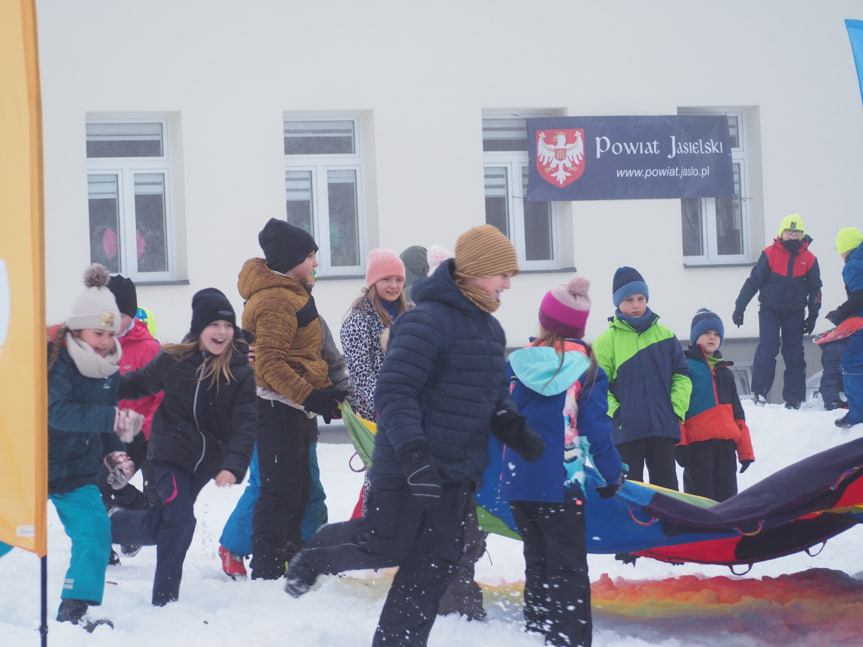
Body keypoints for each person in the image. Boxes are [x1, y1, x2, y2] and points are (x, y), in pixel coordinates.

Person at [284, 224, 545, 647]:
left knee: (436, 561)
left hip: (457, 472)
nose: (507, 284)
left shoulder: (491, 331)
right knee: (384, 543)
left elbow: (494, 398)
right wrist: (414, 454)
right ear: (477, 270)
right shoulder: (426, 321)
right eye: (502, 274)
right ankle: (313, 555)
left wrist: (517, 430)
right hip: (407, 464)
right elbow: (394, 390)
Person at [109, 288, 256, 606]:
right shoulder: (174, 360)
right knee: (179, 518)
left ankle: (104, 528)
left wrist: (233, 465)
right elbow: (138, 383)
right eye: (214, 325)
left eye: (227, 326)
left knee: (157, 524)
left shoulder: (240, 370)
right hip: (170, 452)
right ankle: (164, 600)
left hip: (206, 462)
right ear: (199, 328)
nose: (221, 332)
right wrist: (101, 382)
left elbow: (246, 423)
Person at [498, 275, 624, 647]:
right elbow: (596, 430)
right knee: (567, 568)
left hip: (519, 482)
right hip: (561, 484)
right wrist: (614, 474)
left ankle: (538, 633)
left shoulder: (517, 363)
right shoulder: (586, 369)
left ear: (544, 320)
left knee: (537, 563)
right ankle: (569, 640)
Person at [238, 218, 349, 579]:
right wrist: (312, 396)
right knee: (277, 491)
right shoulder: (276, 300)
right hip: (277, 408)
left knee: (298, 489)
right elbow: (269, 364)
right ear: (292, 259)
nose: (316, 262)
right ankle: (267, 567)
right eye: (311, 255)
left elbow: (307, 352)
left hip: (294, 407)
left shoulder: (293, 292)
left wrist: (324, 392)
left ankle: (289, 555)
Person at [217, 312, 353, 579]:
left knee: (309, 489)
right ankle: (232, 546)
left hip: (304, 413)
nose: (312, 271)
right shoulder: (267, 309)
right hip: (264, 412)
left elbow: (331, 360)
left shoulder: (313, 317)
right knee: (265, 487)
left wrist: (345, 397)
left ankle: (310, 553)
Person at [47, 263, 144, 630]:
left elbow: (106, 415)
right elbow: (58, 414)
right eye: (96, 332)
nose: (104, 340)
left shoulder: (108, 368)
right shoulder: (57, 361)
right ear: (76, 328)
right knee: (9, 533)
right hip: (34, 465)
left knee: (95, 533)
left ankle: (74, 608)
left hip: (76, 469)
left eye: (110, 332)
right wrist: (110, 422)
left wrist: (114, 451)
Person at [593, 266, 691, 491]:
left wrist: (675, 409)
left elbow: (682, 374)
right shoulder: (606, 342)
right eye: (629, 300)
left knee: (666, 494)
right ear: (617, 303)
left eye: (641, 298)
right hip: (626, 433)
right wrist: (617, 413)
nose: (636, 305)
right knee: (630, 494)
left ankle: (667, 527)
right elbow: (595, 386)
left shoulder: (665, 336)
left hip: (662, 429)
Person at [732, 214, 822, 408]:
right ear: (781, 233)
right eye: (789, 232)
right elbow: (753, 282)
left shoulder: (810, 259)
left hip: (795, 313)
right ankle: (759, 393)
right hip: (769, 310)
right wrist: (740, 306)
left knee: (794, 353)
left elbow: (816, 290)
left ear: (802, 235)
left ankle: (794, 398)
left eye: (797, 232)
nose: (793, 235)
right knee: (767, 347)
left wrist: (813, 314)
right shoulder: (769, 254)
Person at [101, 276, 162, 528]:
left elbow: (162, 399)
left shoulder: (149, 349)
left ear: (131, 315)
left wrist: (145, 431)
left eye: (120, 315)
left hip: (138, 433)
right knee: (88, 488)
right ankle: (107, 541)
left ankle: (139, 510)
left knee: (106, 483)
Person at [678, 308, 754, 501]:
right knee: (701, 500)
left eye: (716, 334)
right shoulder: (686, 367)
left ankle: (727, 531)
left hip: (726, 448)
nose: (712, 337)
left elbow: (738, 414)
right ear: (695, 337)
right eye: (706, 333)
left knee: (728, 500)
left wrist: (745, 452)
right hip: (698, 448)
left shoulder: (725, 372)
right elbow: (677, 410)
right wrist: (680, 444)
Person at [827, 227, 863, 428]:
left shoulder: (853, 265)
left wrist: (840, 313)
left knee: (852, 364)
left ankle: (857, 417)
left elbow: (861, 295)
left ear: (844, 249)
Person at [818, 336, 850, 410]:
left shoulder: (831, 343)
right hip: (850, 352)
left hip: (832, 352)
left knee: (830, 379)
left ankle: (833, 402)